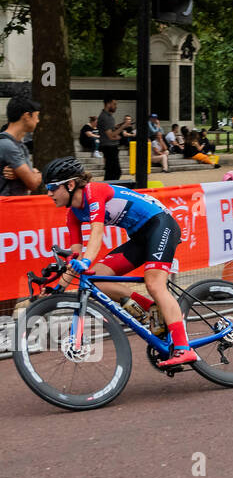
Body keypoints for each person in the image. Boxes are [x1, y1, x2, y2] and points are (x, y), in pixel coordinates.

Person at [42, 156, 196, 367]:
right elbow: (75, 255)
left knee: (154, 283)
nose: (48, 193)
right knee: (96, 279)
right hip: (140, 237)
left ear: (70, 185)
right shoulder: (73, 214)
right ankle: (154, 310)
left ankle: (183, 348)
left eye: (52, 187)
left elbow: (96, 234)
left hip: (161, 225)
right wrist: (57, 287)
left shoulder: (93, 192)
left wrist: (86, 261)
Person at [1, 96, 42, 196]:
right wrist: (36, 173)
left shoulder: (20, 146)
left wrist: (23, 175)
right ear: (27, 116)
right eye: (37, 116)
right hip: (6, 208)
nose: (38, 121)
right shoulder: (8, 146)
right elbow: (32, 183)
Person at [97, 98, 130, 182]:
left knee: (112, 171)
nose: (116, 106)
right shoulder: (105, 117)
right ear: (108, 104)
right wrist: (123, 127)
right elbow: (111, 135)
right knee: (114, 172)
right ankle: (107, 189)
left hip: (110, 146)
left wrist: (116, 128)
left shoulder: (107, 116)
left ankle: (107, 188)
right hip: (109, 147)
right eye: (114, 104)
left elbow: (110, 133)